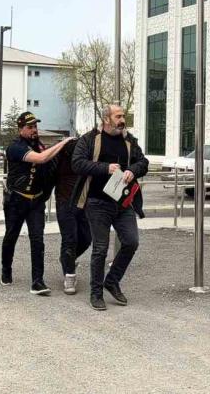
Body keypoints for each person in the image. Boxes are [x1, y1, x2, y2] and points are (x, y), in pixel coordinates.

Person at [71, 104, 148, 311]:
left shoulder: (129, 140)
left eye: (123, 116)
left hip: (123, 203)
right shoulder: (89, 139)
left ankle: (112, 281)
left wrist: (133, 170)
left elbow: (144, 162)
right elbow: (77, 163)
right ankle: (96, 293)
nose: (122, 120)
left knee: (131, 242)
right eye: (118, 116)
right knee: (100, 249)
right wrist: (105, 168)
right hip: (97, 203)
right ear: (106, 119)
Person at [1, 111, 73, 295]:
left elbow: (49, 165)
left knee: (38, 240)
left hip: (36, 201)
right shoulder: (15, 147)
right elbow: (41, 159)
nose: (34, 130)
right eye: (30, 127)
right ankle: (6, 270)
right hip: (17, 200)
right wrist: (63, 142)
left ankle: (37, 282)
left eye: (35, 126)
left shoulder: (39, 145)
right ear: (21, 129)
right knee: (11, 236)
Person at [53, 138, 91, 294]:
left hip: (83, 203)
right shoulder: (59, 159)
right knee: (70, 239)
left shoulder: (85, 158)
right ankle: (69, 275)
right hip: (64, 202)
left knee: (87, 238)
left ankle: (66, 259)